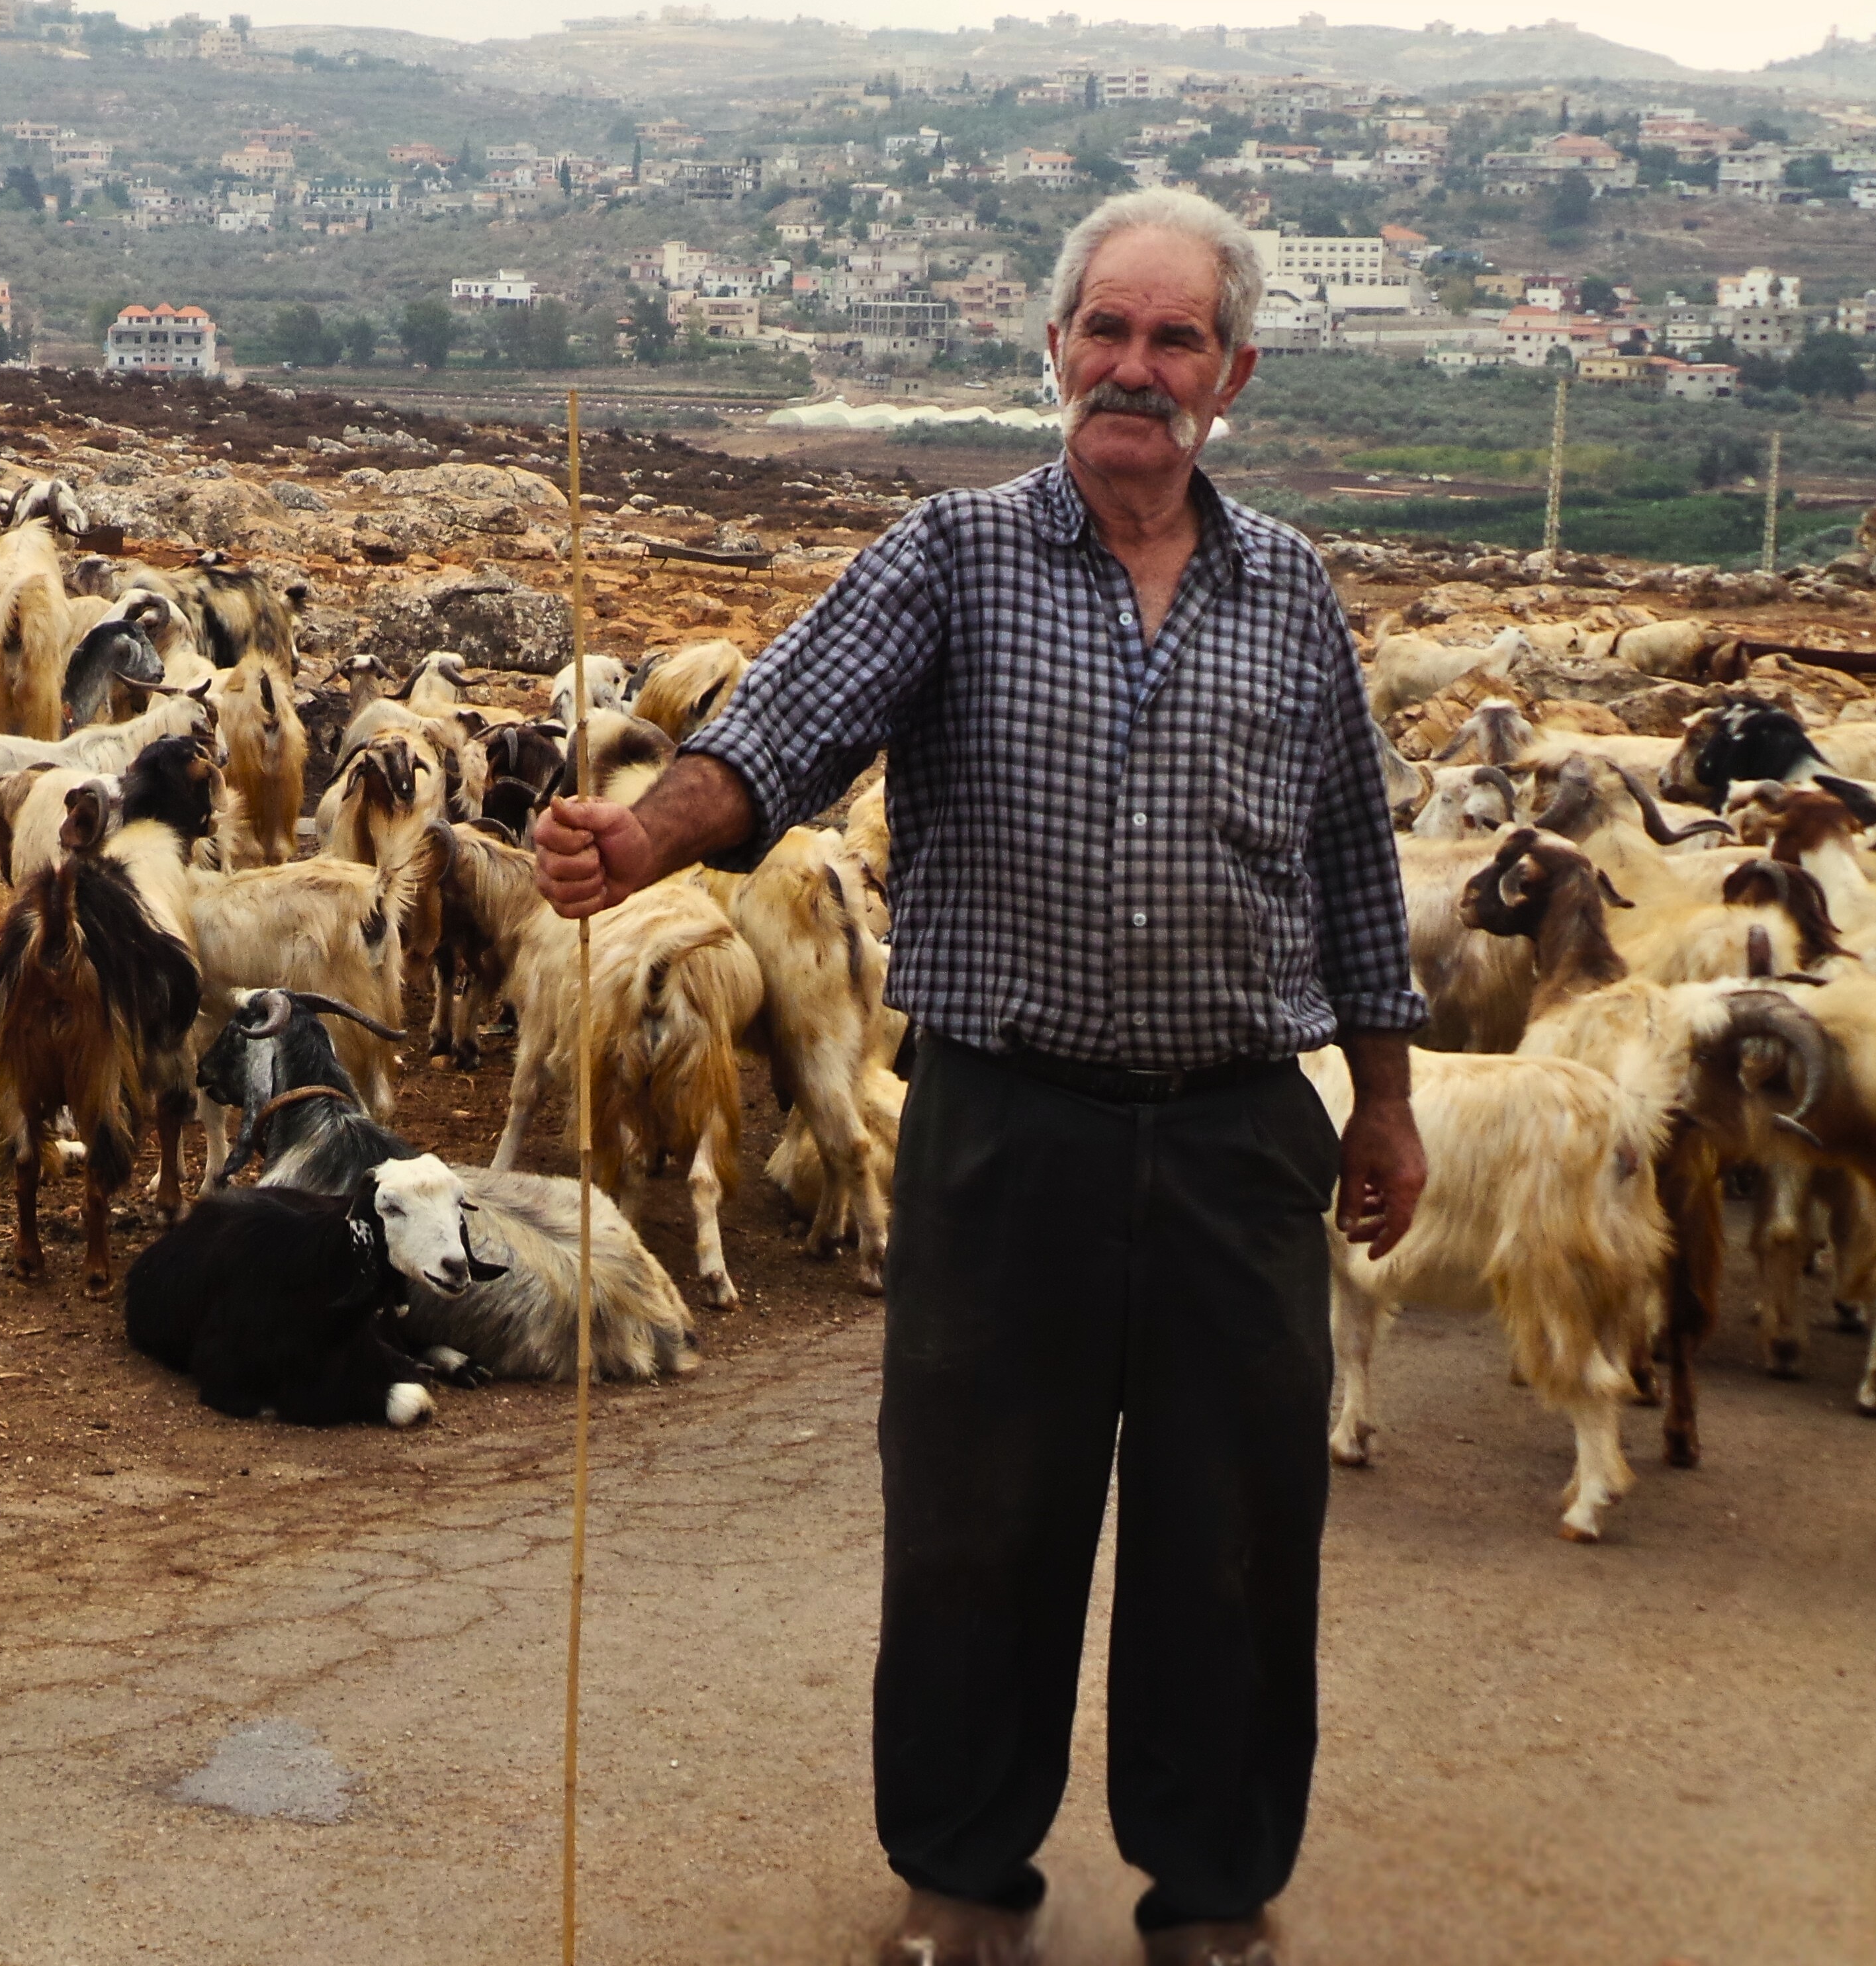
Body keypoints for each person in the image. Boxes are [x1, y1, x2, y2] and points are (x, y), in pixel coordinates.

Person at [532, 189, 1426, 1966]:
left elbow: (1351, 868)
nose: (1135, 368)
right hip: (1007, 1126)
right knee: (974, 1515)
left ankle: (1216, 1897)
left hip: (1245, 1129)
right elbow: (775, 734)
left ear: (1233, 372)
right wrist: (642, 838)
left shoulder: (1294, 592)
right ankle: (961, 1879)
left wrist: (1384, 1100)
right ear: (1054, 348)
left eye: (1176, 340)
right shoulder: (951, 558)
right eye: (1107, 329)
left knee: (1235, 1528)